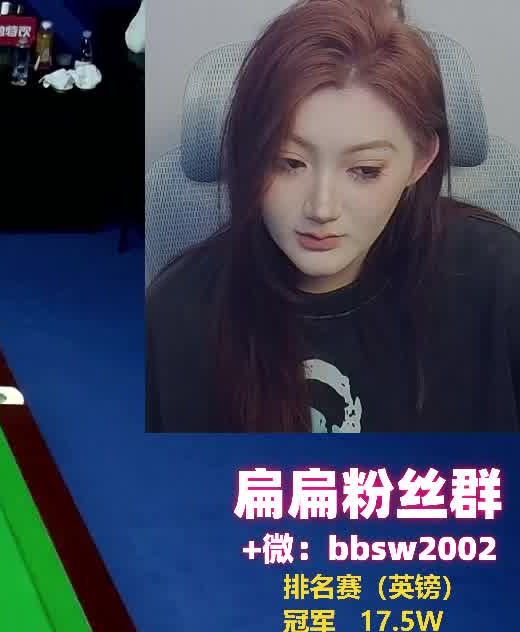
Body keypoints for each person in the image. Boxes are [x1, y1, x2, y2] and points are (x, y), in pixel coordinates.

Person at [146, 0, 520, 432]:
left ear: (420, 162)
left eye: (365, 170)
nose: (321, 209)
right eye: (288, 162)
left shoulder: (498, 277)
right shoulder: (178, 312)